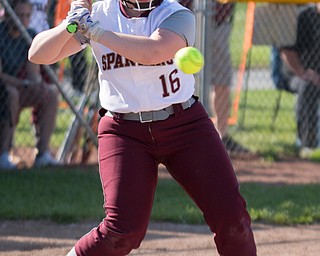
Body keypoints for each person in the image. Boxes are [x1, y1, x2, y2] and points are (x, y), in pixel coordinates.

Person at [29, 0, 257, 255]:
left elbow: (153, 53)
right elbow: (38, 54)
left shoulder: (176, 14)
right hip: (123, 131)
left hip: (185, 126)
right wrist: (71, 26)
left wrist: (96, 32)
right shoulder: (101, 14)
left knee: (233, 220)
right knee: (121, 232)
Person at [180, 0, 250, 154]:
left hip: (218, 21)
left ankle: (222, 137)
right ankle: (184, 136)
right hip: (187, 18)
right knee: (180, 81)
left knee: (222, 80)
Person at [0, 0, 59, 169]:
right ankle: (3, 154)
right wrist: (24, 83)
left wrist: (37, 84)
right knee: (12, 94)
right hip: (5, 87)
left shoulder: (30, 35)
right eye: (19, 15)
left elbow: (33, 73)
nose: (24, 20)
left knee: (51, 94)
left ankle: (42, 154)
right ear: (9, 15)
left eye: (27, 15)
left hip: (19, 86)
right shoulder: (1, 34)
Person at [279, 3, 320, 151]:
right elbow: (287, 52)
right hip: (298, 75)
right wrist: (303, 73)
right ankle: (307, 143)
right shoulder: (303, 18)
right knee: (307, 86)